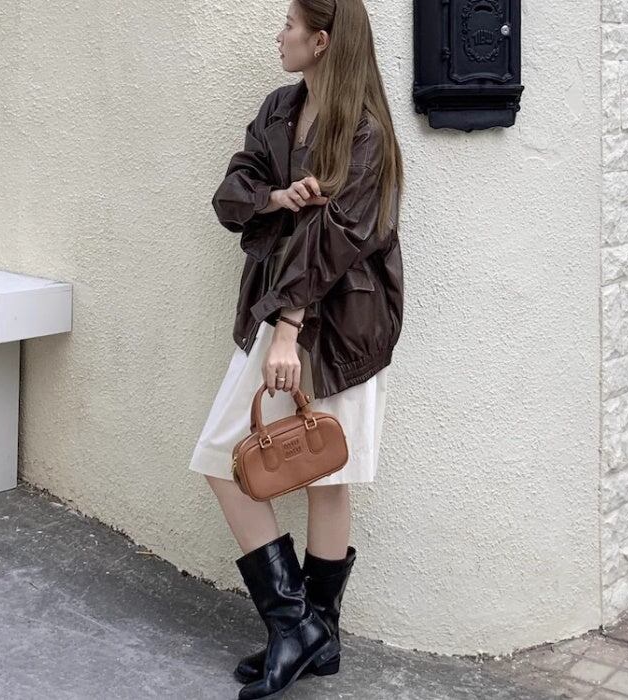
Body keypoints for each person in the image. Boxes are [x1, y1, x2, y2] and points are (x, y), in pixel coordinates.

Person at [189, 1, 404, 697]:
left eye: (289, 24)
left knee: (325, 475)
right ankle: (302, 630)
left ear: (321, 40)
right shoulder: (280, 109)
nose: (279, 35)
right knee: (225, 457)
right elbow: (232, 194)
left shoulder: (365, 132)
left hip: (340, 325)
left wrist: (288, 327)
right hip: (283, 308)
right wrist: (277, 196)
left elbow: (338, 236)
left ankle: (310, 635)